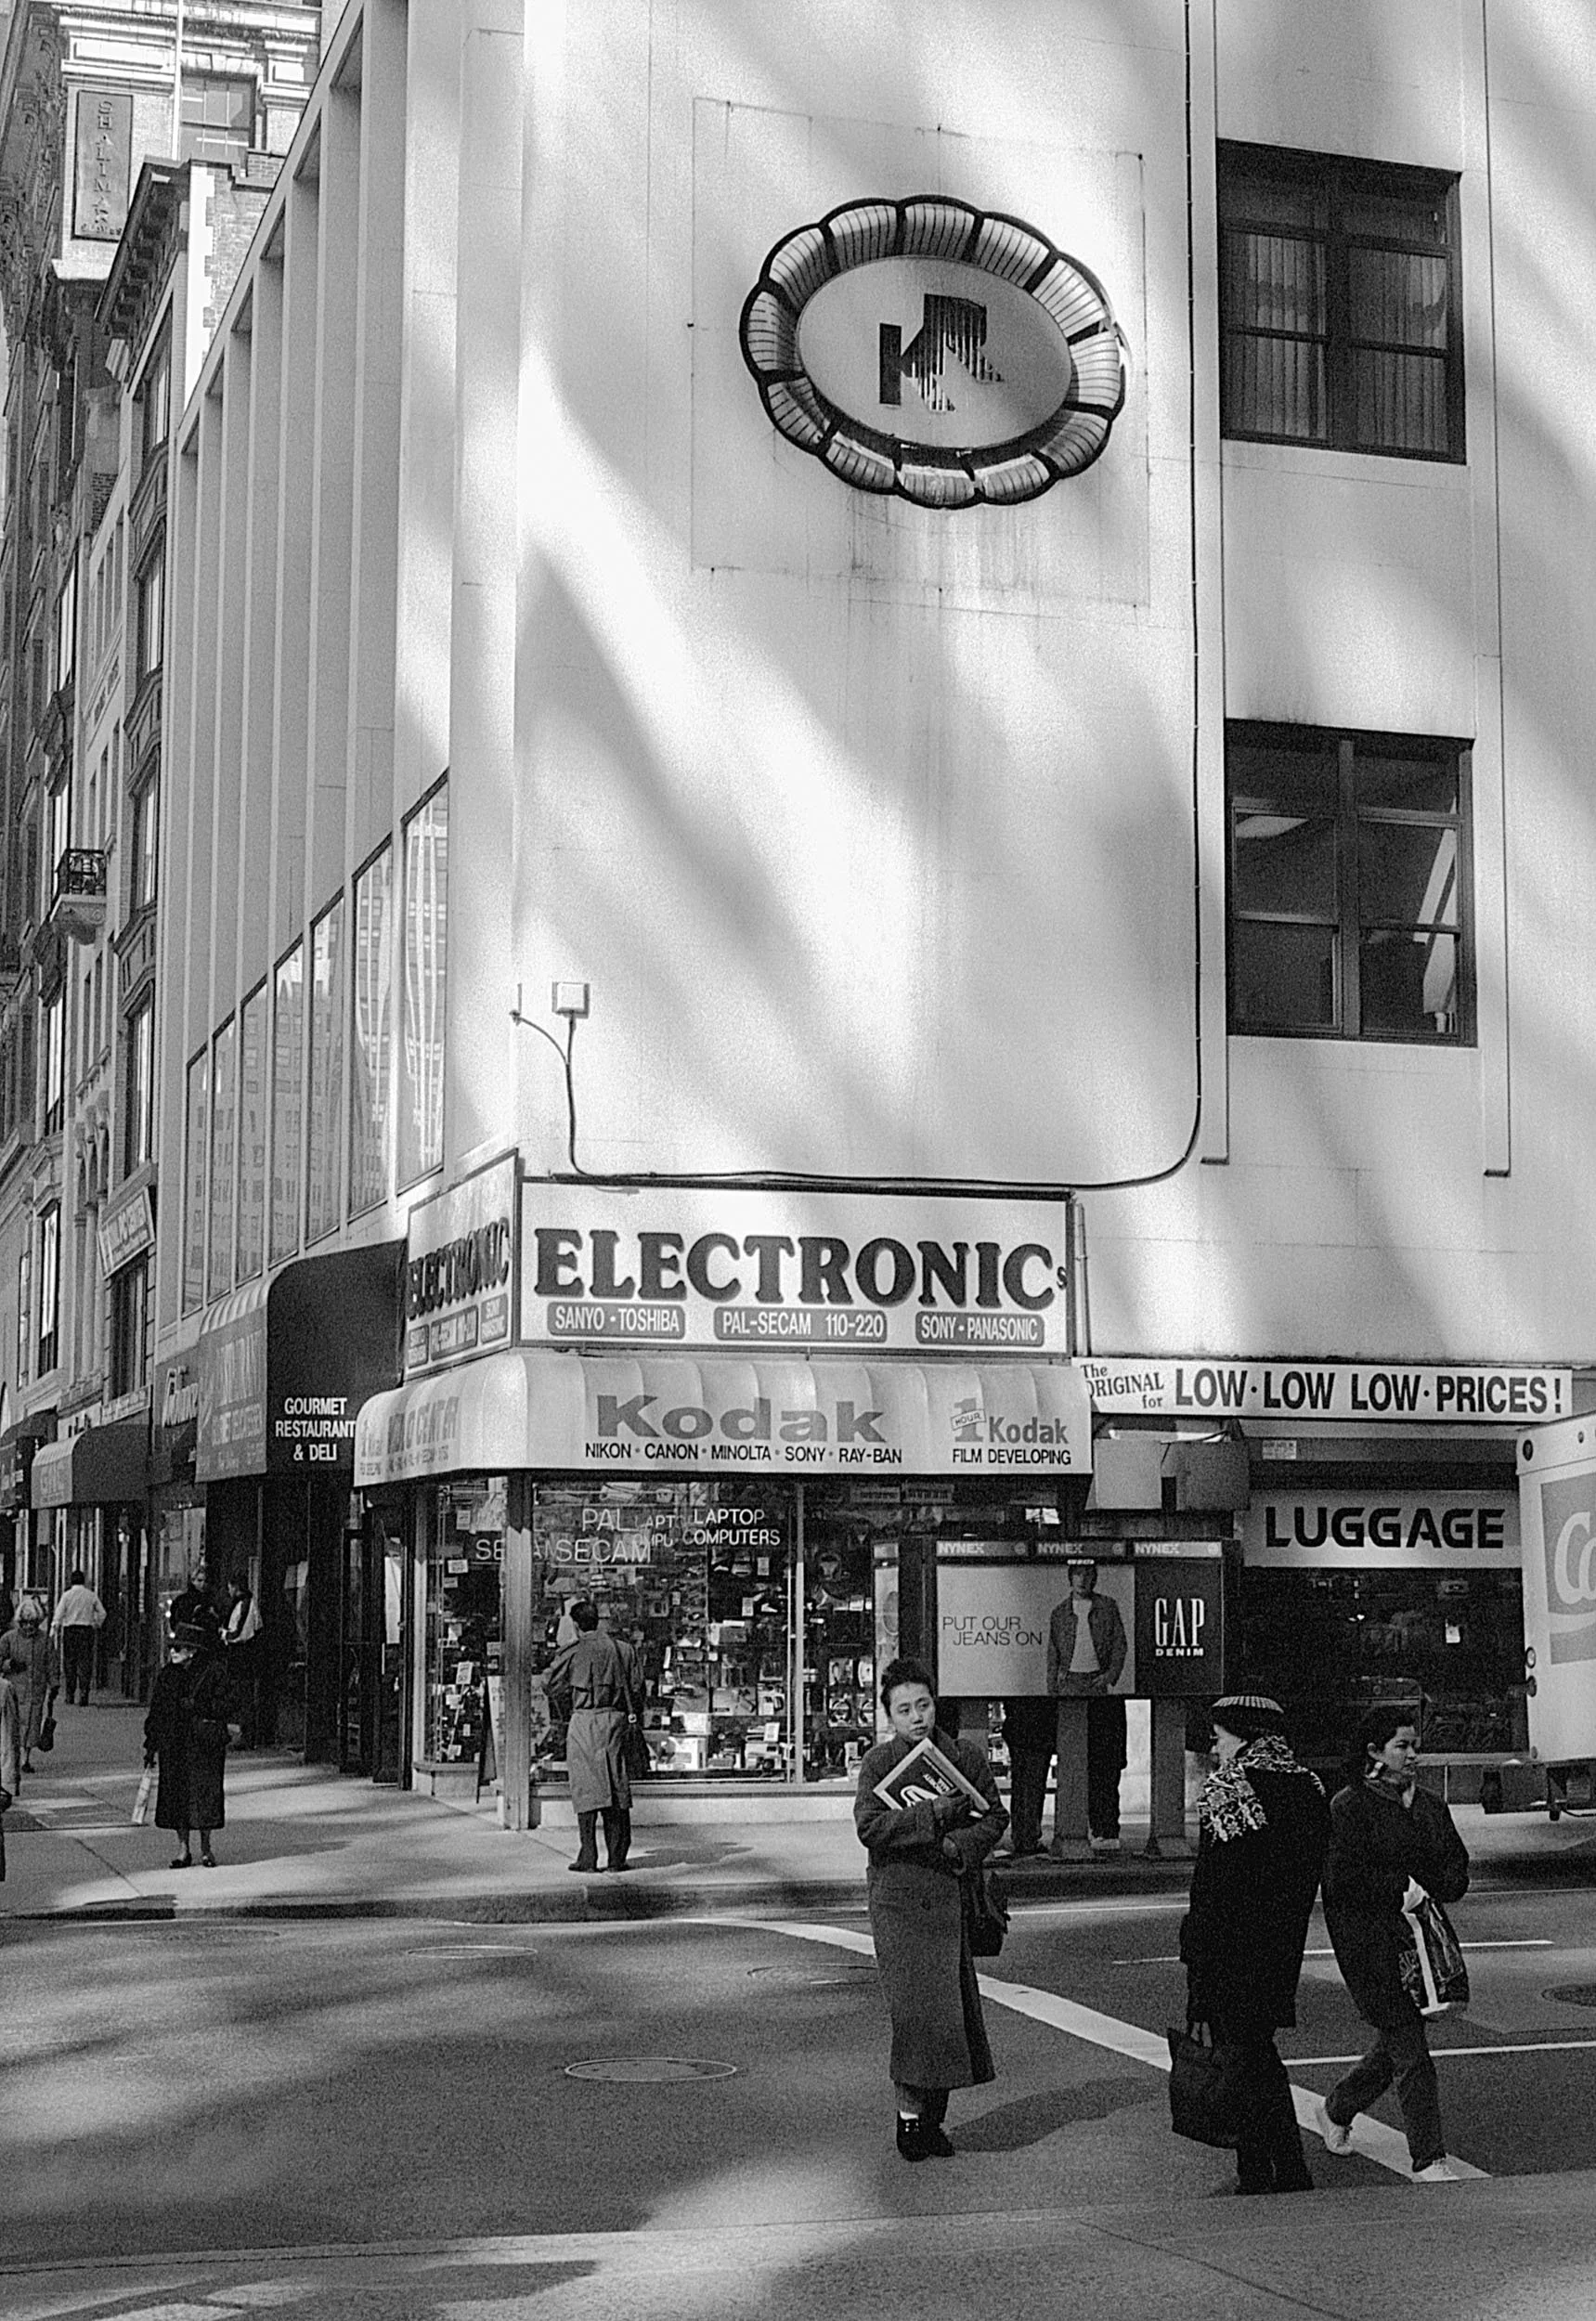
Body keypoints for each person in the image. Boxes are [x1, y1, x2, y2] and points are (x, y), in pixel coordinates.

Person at [855, 1656, 1008, 2162]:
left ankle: (933, 2122)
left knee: (947, 2015)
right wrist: (931, 1815)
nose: (916, 1717)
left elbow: (995, 1816)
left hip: (950, 1900)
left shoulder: (963, 1755)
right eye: (904, 1710)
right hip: (899, 1904)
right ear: (890, 1718)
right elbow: (870, 1828)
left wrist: (956, 1846)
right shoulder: (879, 1764)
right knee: (914, 2017)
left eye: (923, 1705)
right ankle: (908, 2119)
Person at [1179, 1690, 1330, 2196]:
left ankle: (1267, 2170)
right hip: (1281, 1945)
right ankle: (1282, 2167)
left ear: (1243, 1735)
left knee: (1245, 2059)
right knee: (1257, 2052)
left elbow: (1214, 1885)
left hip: (1230, 1947)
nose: (1214, 1746)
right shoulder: (1309, 1786)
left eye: (1220, 1735)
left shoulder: (1229, 1786)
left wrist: (1198, 1963)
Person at [1319, 1705, 1470, 2185]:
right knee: (1411, 2050)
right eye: (1401, 1745)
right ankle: (1429, 2159)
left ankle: (1338, 2108)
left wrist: (1438, 1881)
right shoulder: (1350, 1805)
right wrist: (1398, 1888)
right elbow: (1341, 1883)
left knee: (1398, 2043)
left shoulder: (1428, 1805)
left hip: (1421, 1946)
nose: (1412, 1755)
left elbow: (1455, 1870)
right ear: (1374, 1752)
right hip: (1370, 1946)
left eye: (1414, 1746)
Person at [543, 1600, 646, 1872]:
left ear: (576, 1626)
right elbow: (637, 1688)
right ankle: (617, 1857)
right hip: (615, 1722)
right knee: (616, 1788)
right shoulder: (624, 1650)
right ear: (598, 1621)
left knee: (585, 1790)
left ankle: (588, 1855)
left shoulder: (574, 1651)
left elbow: (549, 1685)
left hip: (584, 1722)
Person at [1047, 1559, 1129, 1853]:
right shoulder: (1060, 1612)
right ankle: (1081, 1828)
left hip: (1099, 1686)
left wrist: (1109, 1676)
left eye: (1087, 1574)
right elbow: (1053, 1653)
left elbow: (1120, 1644)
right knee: (1075, 1765)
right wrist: (1054, 1688)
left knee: (1106, 1764)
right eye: (1078, 1574)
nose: (1082, 1579)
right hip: (1071, 1686)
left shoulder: (1107, 1606)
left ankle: (1105, 1828)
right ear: (1071, 1578)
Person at [143, 1622, 234, 1869]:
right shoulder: (167, 1675)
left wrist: (198, 1706)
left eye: (178, 1648)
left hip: (204, 1743)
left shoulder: (213, 1672)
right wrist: (151, 1744)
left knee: (205, 1795)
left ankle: (206, 1848)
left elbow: (227, 1705)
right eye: (172, 1647)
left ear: (192, 1651)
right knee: (176, 1797)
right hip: (174, 1743)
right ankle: (183, 1849)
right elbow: (157, 1711)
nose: (172, 1652)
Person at [0, 1599, 59, 1775]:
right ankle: (15, 1757)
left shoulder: (45, 1640)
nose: (28, 1627)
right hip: (14, 1690)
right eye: (24, 1623)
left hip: (36, 1690)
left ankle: (26, 1758)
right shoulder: (8, 1639)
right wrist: (9, 1665)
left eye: (32, 1623)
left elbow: (52, 1663)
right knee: (14, 1726)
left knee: (33, 1725)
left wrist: (54, 1683)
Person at [1001, 1694, 1057, 1856]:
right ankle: (1028, 1837)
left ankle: (1022, 1836)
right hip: (1039, 1727)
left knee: (1021, 1785)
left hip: (1018, 1724)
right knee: (1034, 1786)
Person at [50, 1567, 107, 1706]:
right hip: (86, 1631)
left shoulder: (67, 1595)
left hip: (70, 1631)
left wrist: (54, 1630)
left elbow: (58, 1614)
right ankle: (84, 1694)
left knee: (70, 1663)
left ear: (71, 1581)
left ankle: (70, 1694)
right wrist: (95, 1624)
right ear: (84, 1581)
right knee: (85, 1663)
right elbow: (102, 1613)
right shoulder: (91, 1595)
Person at [222, 1577, 263, 1747]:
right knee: (241, 1695)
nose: (229, 1591)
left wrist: (223, 1635)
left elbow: (239, 1633)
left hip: (242, 1657)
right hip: (242, 1657)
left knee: (243, 1696)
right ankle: (243, 1734)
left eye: (230, 1587)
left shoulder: (245, 1604)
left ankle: (246, 1736)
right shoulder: (243, 1603)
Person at [169, 1568, 223, 1648]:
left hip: (194, 1639)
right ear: (193, 1581)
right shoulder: (183, 1600)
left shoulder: (211, 1599)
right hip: (192, 1639)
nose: (203, 1584)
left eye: (206, 1581)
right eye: (200, 1580)